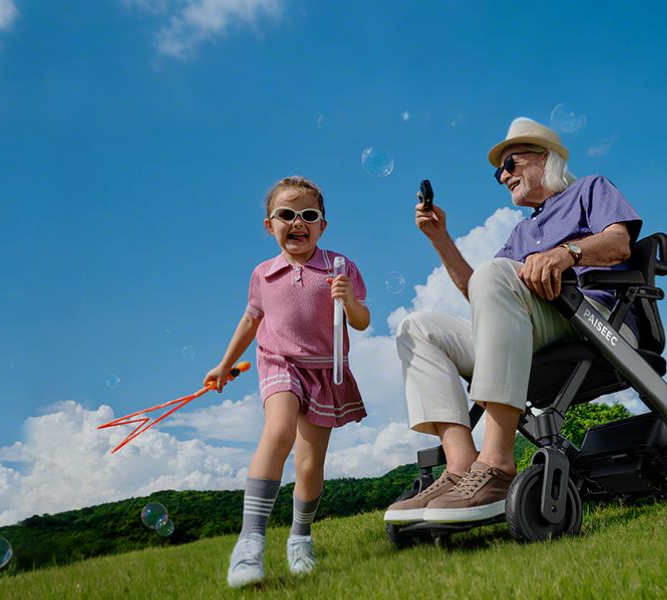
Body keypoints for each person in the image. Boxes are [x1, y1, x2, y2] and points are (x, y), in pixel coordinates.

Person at [384, 117, 642, 524]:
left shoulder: (590, 188)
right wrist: (440, 238)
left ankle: (498, 463)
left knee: (494, 271)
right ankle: (461, 468)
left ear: (545, 157)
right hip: (535, 325)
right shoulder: (523, 231)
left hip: (595, 322)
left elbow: (618, 242)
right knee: (417, 327)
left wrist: (566, 253)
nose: (503, 176)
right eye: (498, 171)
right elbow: (481, 292)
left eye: (510, 164)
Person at [206, 176, 370, 587]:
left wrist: (348, 298)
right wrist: (225, 364)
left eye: (308, 216)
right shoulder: (263, 273)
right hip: (279, 362)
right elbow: (251, 319)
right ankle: (250, 542)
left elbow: (362, 321)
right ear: (269, 225)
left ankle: (300, 537)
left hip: (324, 369)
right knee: (278, 431)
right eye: (286, 215)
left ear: (322, 225)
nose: (298, 223)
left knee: (309, 463)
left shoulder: (340, 266)